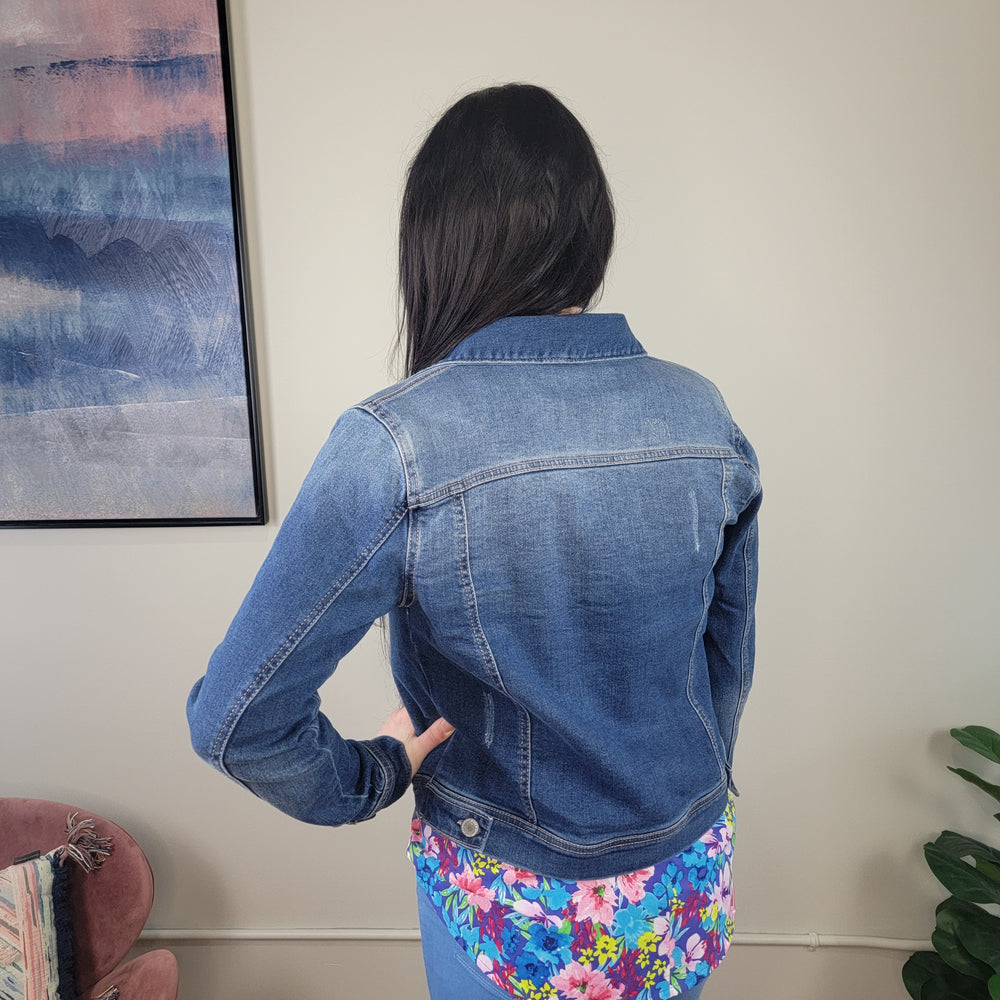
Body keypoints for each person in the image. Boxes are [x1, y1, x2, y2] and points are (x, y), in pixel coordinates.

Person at [187, 83, 761, 1000]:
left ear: (436, 242)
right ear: (590, 229)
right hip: (681, 879)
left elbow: (236, 720)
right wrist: (692, 792)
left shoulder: (397, 443)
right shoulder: (702, 412)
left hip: (513, 908)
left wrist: (370, 779)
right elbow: (727, 657)